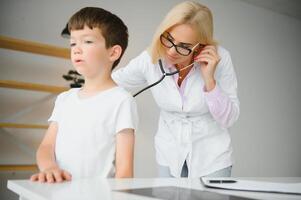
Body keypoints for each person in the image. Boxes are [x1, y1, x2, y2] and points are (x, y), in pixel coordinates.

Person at [112, 1, 239, 178]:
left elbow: (229, 118)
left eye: (184, 46)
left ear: (200, 46)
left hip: (211, 157)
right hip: (169, 153)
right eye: (169, 39)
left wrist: (209, 79)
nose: (171, 51)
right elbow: (111, 83)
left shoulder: (221, 59)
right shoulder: (151, 58)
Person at [30, 7, 138, 183]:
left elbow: (124, 170)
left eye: (87, 41)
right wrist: (49, 168)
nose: (76, 49)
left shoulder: (121, 100)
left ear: (113, 52)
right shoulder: (65, 99)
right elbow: (46, 147)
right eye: (73, 43)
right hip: (58, 192)